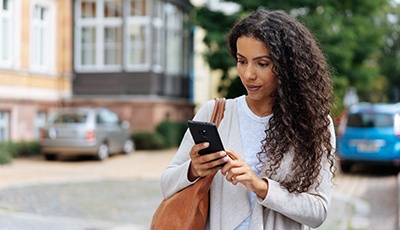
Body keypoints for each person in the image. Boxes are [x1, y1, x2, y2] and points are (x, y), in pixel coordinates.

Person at [160, 9, 336, 230]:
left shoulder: (314, 124)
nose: (248, 74)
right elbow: (166, 184)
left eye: (262, 64)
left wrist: (260, 186)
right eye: (242, 61)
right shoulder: (216, 113)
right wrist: (193, 169)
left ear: (288, 67)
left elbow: (318, 211)